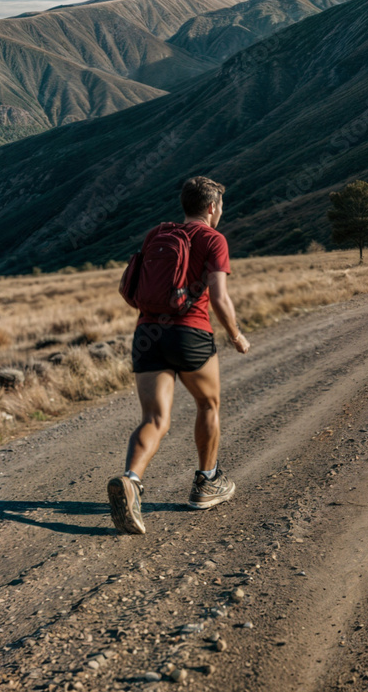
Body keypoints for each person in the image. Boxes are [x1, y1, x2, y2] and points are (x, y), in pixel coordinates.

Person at [107, 176, 250, 535]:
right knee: (208, 405)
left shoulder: (157, 234)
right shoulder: (213, 239)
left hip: (148, 335)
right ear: (213, 207)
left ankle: (131, 480)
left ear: (186, 205)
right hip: (190, 332)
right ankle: (207, 482)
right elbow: (218, 297)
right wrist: (236, 335)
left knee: (155, 418)